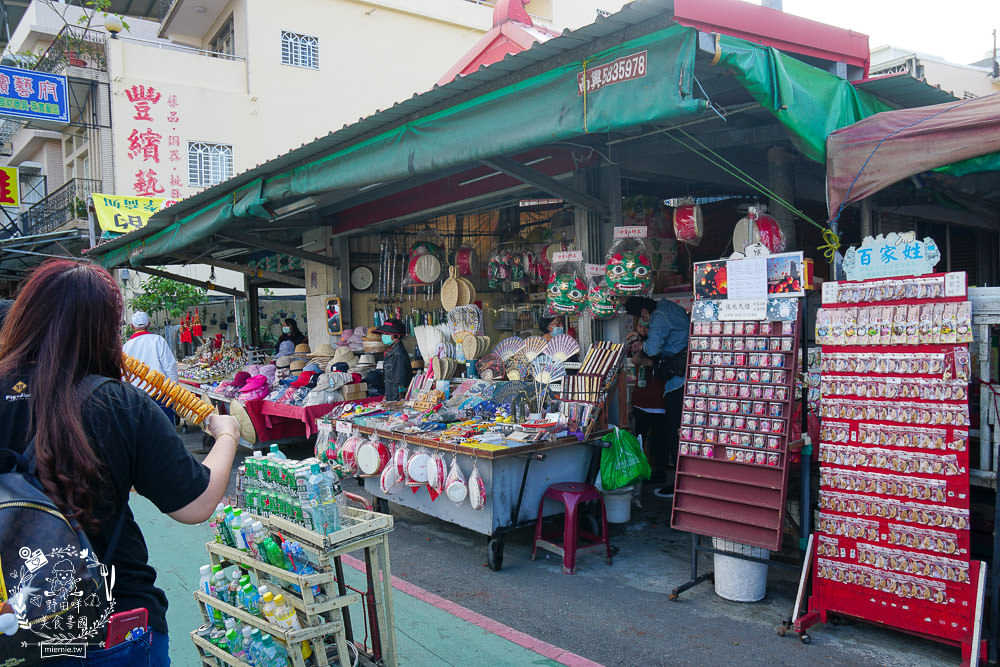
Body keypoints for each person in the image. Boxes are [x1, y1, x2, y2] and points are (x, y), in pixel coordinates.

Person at [0, 259, 240, 666]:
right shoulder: (119, 404)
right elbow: (196, 503)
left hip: (14, 627)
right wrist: (227, 433)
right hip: (111, 623)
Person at [624, 296, 689, 498]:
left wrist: (640, 349)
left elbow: (653, 349)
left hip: (678, 380)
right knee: (675, 433)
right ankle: (683, 483)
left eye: (642, 319)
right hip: (683, 376)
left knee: (674, 434)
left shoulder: (659, 316)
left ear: (644, 313)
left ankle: (681, 486)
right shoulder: (669, 307)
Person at [626, 317, 669, 484]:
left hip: (659, 402)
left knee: (659, 440)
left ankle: (659, 472)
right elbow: (634, 359)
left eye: (647, 325)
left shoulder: (662, 344)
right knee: (640, 438)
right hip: (640, 400)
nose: (643, 328)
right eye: (640, 325)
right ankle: (640, 470)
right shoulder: (636, 343)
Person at [123, 310, 179, 423]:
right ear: (148, 324)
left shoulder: (126, 347)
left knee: (144, 434)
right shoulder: (158, 340)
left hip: (137, 397)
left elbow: (124, 377)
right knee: (166, 430)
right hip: (161, 395)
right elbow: (170, 367)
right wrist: (173, 390)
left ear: (132, 326)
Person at [374, 318, 411, 401]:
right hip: (390, 397)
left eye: (387, 334)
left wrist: (395, 402)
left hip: (395, 399)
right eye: (383, 333)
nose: (383, 336)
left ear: (397, 336)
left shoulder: (399, 354)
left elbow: (399, 383)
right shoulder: (391, 352)